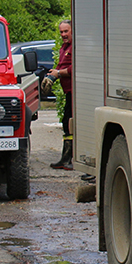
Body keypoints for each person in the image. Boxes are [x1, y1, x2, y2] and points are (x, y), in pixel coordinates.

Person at [49, 20, 74, 170]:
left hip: (76, 92)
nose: (64, 34)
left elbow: (75, 66)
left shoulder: (75, 47)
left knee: (69, 123)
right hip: (68, 91)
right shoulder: (64, 48)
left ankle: (69, 159)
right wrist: (51, 75)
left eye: (66, 31)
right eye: (61, 32)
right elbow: (61, 66)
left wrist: (58, 73)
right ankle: (66, 158)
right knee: (66, 122)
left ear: (73, 30)